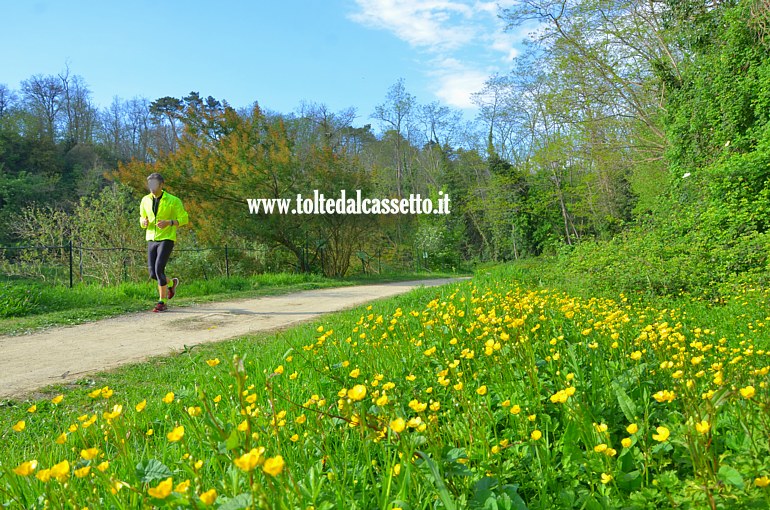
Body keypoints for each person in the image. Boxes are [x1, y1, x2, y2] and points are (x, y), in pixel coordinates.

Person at [139, 172, 189, 312]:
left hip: (166, 238)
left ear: (161, 185)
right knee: (152, 273)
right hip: (151, 238)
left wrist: (169, 222)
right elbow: (142, 217)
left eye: (154, 184)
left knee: (159, 269)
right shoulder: (145, 200)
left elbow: (184, 219)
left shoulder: (173, 200)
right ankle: (172, 283)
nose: (152, 187)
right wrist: (143, 222)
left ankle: (162, 302)